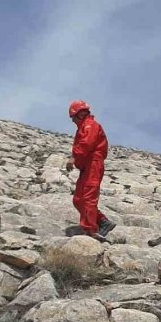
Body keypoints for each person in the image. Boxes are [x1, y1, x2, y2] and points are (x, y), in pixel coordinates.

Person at [66, 100, 116, 239]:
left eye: (74, 117)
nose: (73, 121)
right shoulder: (83, 127)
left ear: (81, 114)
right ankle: (102, 221)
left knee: (88, 197)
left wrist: (74, 157)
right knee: (78, 199)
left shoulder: (90, 125)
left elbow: (86, 143)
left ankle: (90, 230)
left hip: (93, 163)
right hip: (86, 166)